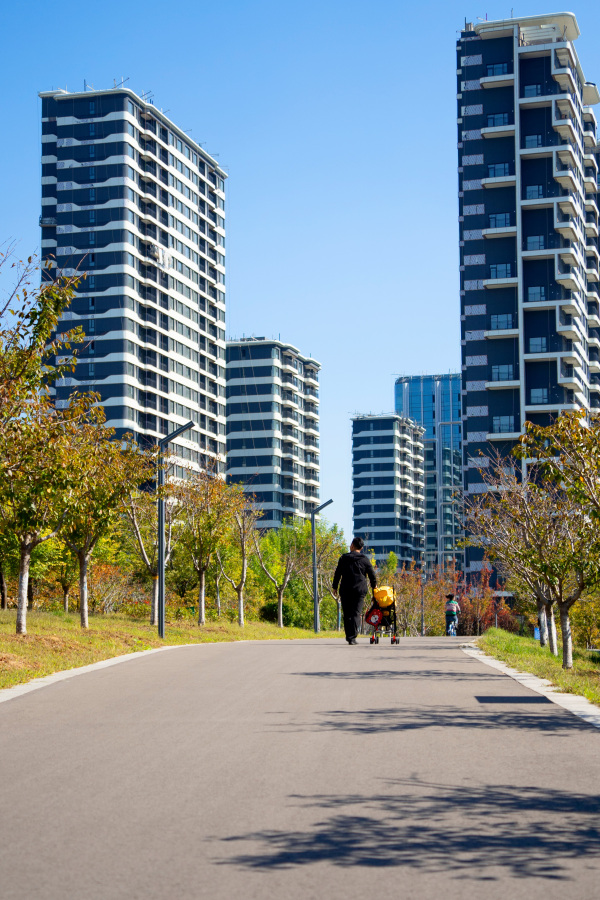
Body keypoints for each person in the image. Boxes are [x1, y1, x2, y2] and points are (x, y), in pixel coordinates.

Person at [332, 537, 377, 645]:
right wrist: (374, 587)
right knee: (356, 613)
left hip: (346, 589)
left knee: (347, 613)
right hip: (359, 590)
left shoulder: (343, 558)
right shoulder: (365, 560)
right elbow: (372, 575)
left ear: (352, 545)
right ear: (361, 548)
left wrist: (335, 587)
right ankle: (352, 637)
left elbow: (337, 573)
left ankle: (349, 636)